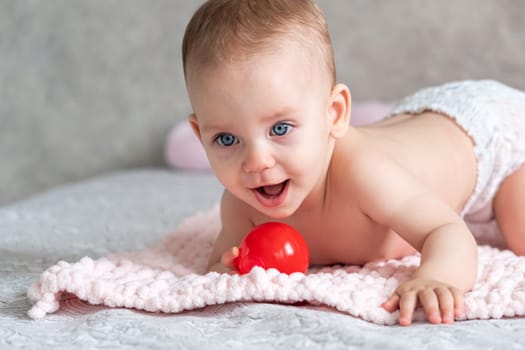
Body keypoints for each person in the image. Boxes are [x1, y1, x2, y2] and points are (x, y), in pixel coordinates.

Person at [181, 0, 525, 326]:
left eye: (280, 128)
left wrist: (437, 277)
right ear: (200, 135)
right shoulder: (242, 207)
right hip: (412, 120)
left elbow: (447, 230)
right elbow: (220, 267)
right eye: (226, 139)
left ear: (335, 114)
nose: (256, 161)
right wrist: (231, 270)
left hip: (491, 136)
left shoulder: (363, 173)